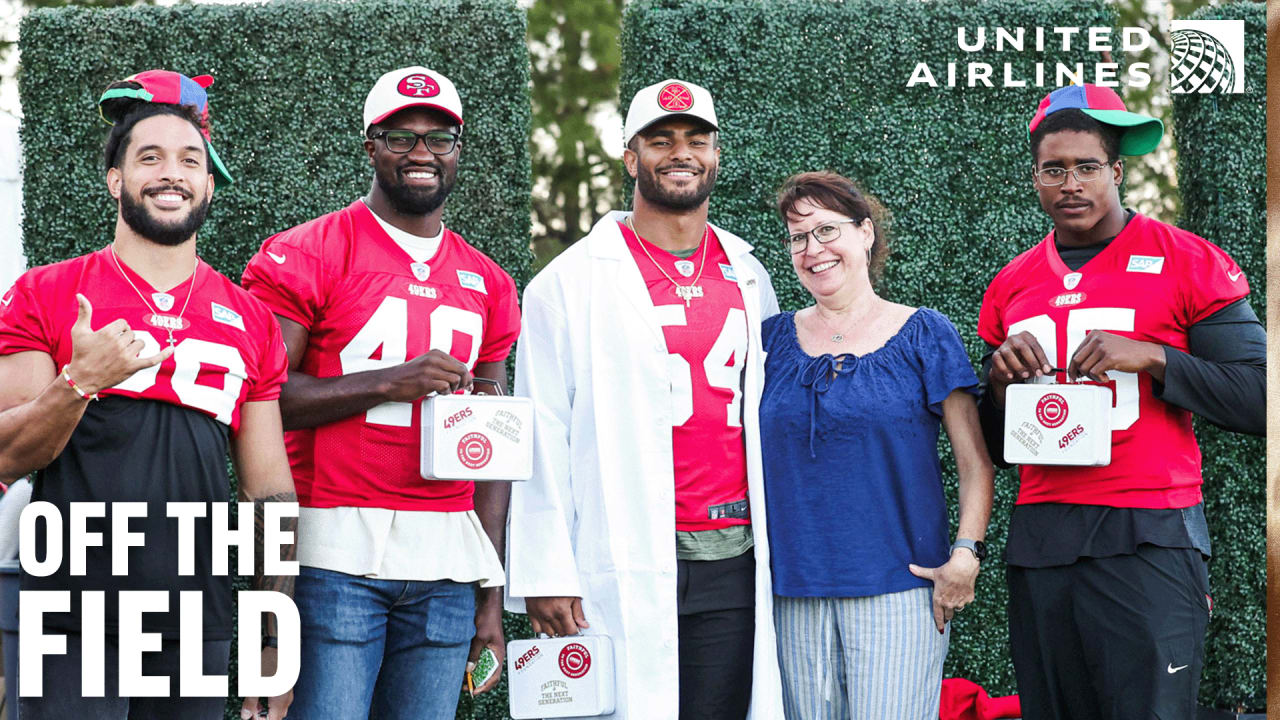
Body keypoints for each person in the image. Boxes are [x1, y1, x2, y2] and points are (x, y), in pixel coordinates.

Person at [0, 69, 296, 720]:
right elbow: (6, 454)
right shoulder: (47, 293)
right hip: (68, 612)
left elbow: (270, 494)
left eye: (190, 160)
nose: (172, 174)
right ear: (116, 180)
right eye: (149, 157)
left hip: (196, 616)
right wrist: (79, 383)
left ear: (209, 184)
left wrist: (274, 645)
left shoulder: (249, 319)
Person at [977, 84, 1266, 720]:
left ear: (1116, 172)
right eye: (1055, 169)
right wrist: (999, 384)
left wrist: (1155, 357)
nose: (1071, 183)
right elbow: (998, 447)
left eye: (1087, 167)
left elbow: (1261, 399)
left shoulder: (1188, 260)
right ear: (1036, 179)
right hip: (1043, 535)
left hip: (1148, 531)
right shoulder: (1012, 284)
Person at [241, 66, 519, 719]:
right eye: (401, 136)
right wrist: (391, 382)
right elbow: (258, 398)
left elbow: (496, 448)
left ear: (459, 151)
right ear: (370, 146)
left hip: (449, 563)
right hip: (331, 552)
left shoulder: (490, 282)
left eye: (439, 138)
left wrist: (490, 587)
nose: (422, 153)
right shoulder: (305, 251)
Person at [506, 79, 784, 719]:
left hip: (733, 553)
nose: (679, 153)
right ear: (630, 158)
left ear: (716, 155)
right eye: (660, 140)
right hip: (618, 552)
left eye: (695, 140)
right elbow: (541, 432)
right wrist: (546, 570)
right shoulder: (567, 281)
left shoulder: (748, 271)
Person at [760, 171, 994, 719]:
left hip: (898, 586)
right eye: (797, 237)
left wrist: (966, 554)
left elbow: (975, 463)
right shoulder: (768, 338)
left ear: (865, 233)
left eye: (826, 230)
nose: (812, 249)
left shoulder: (924, 334)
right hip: (791, 591)